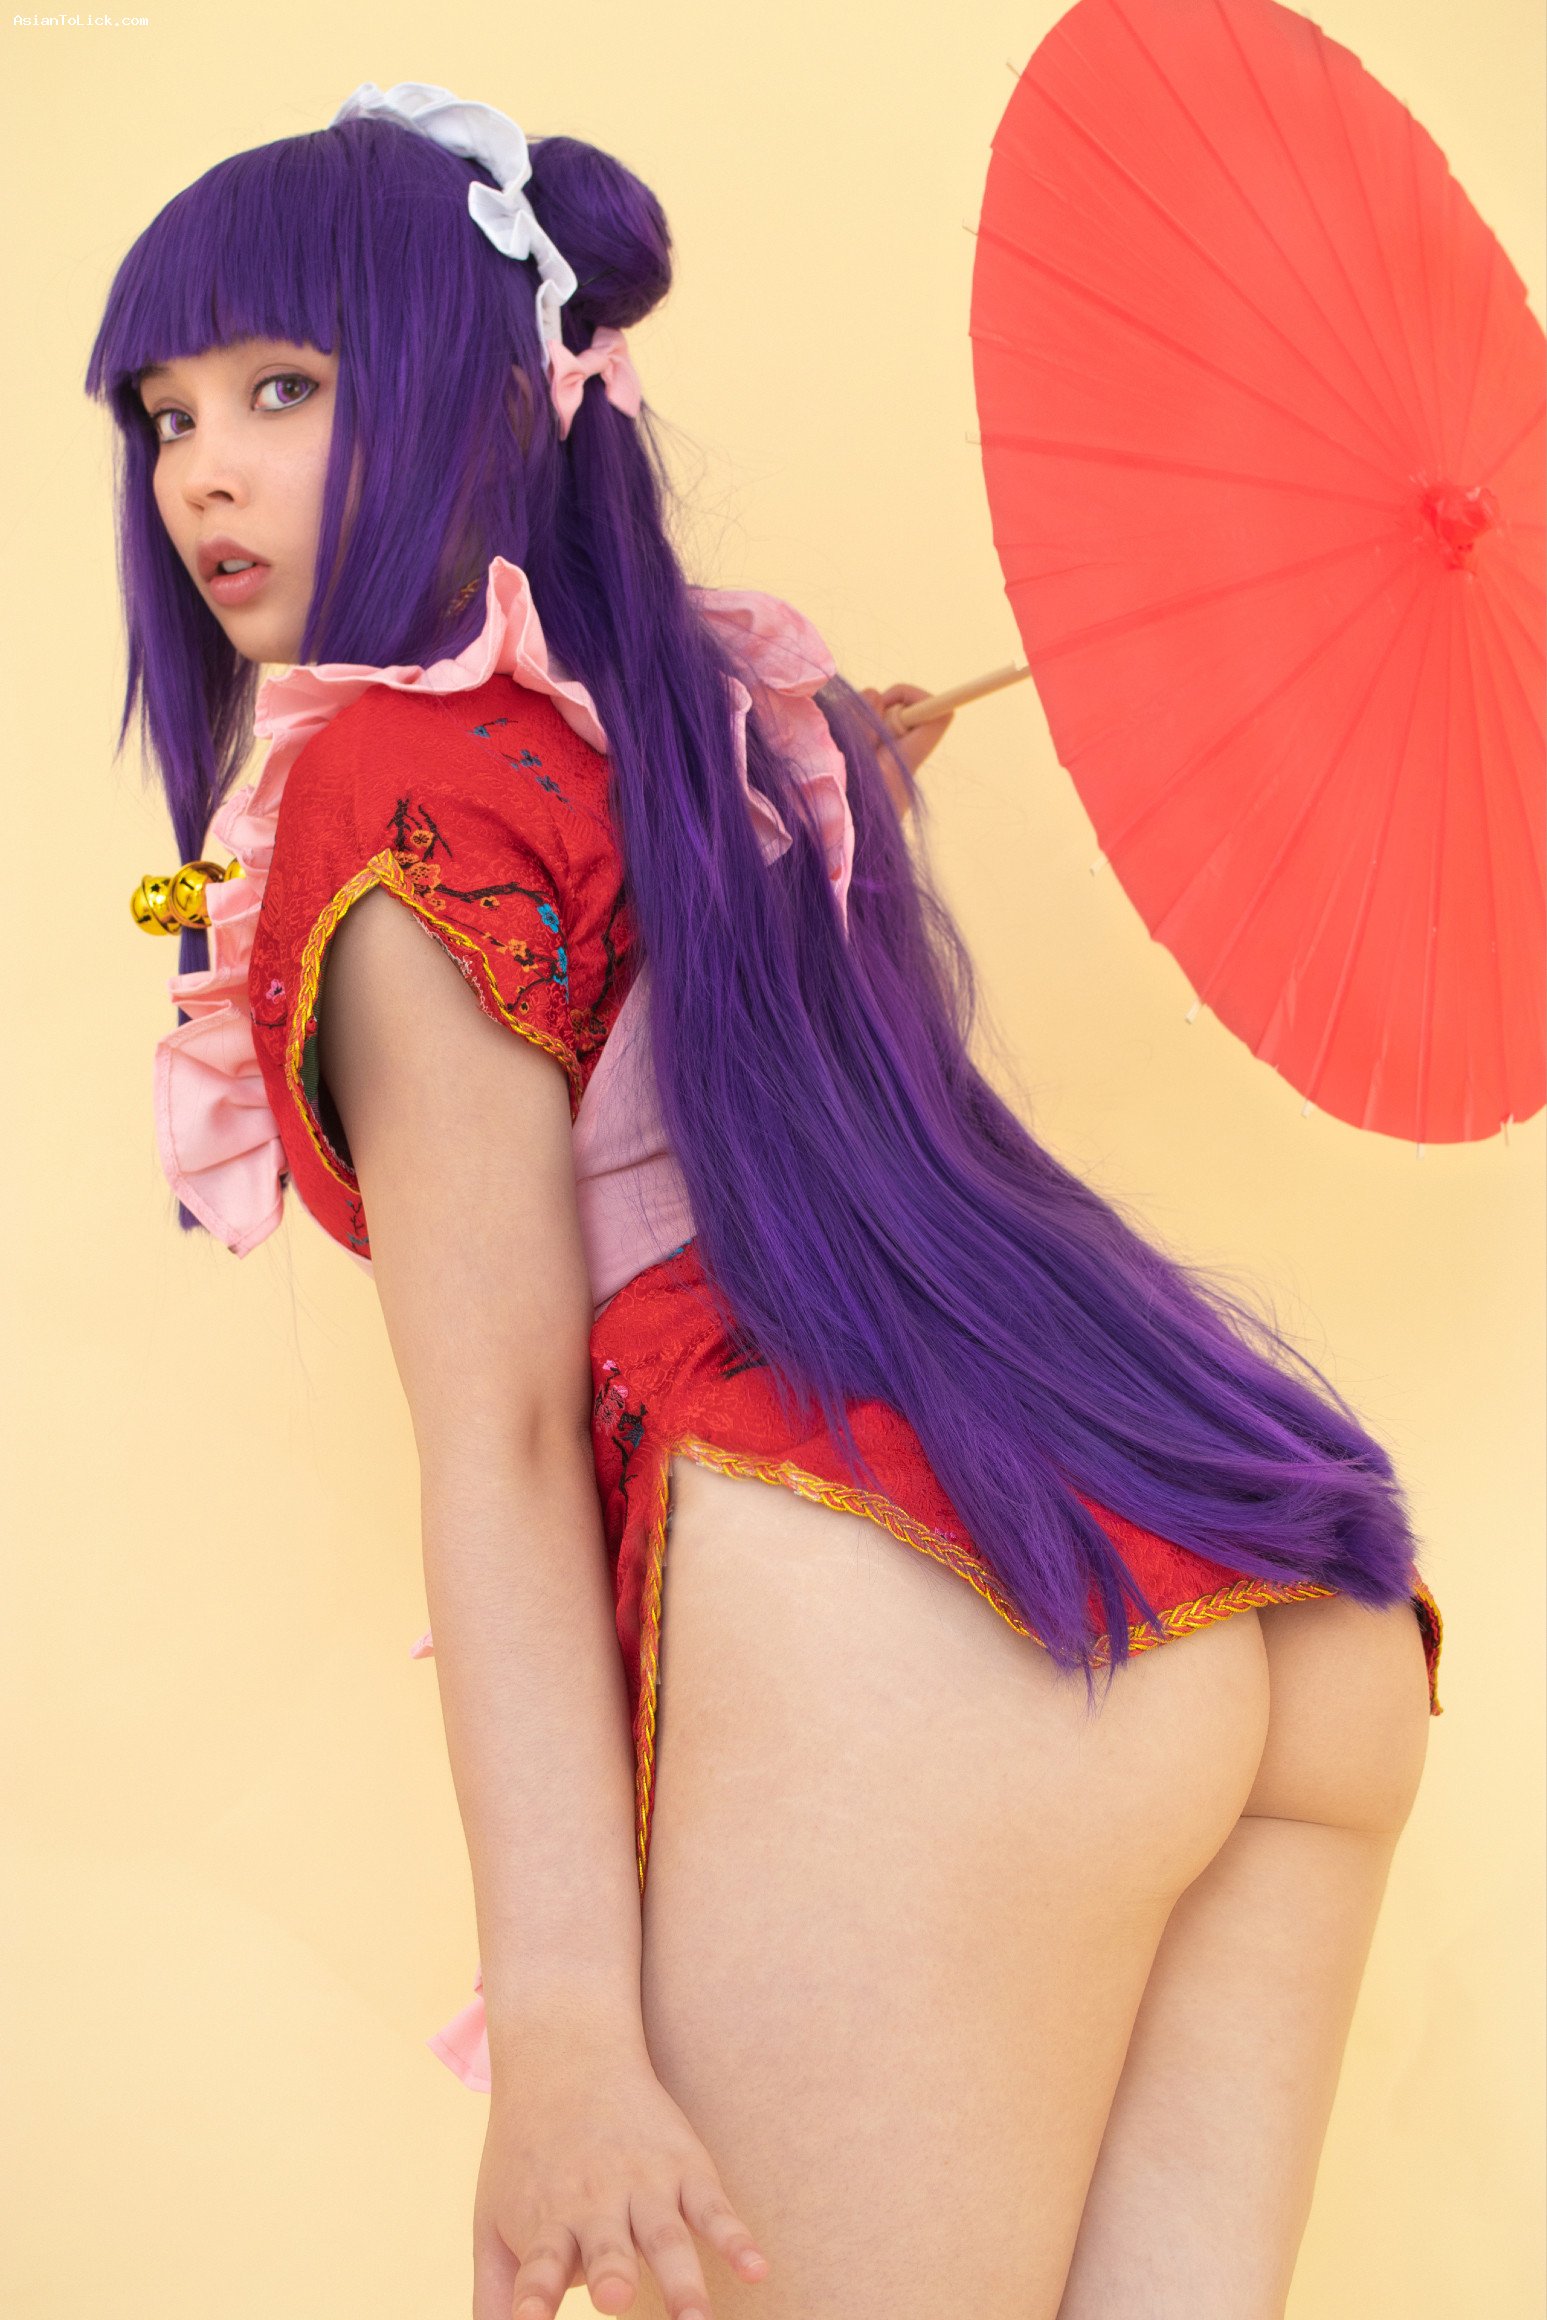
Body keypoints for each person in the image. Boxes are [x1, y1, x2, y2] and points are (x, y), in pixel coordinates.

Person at [90, 82, 1443, 2320]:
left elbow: (509, 1434)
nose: (201, 471)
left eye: (284, 388)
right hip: (1240, 1602)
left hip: (903, 1633)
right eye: (166, 416)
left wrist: (566, 2028)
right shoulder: (711, 731)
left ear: (493, 398)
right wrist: (823, 800)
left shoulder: (404, 791)